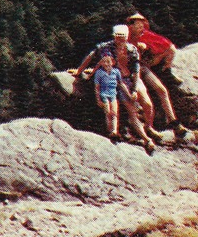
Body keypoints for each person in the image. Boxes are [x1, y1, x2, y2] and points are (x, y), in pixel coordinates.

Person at [69, 25, 161, 148]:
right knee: (131, 110)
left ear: (127, 37)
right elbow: (92, 55)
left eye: (123, 37)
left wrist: (134, 89)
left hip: (132, 79)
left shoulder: (132, 49)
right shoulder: (106, 47)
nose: (121, 40)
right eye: (118, 37)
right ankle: (146, 139)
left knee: (148, 104)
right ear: (114, 37)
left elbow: (136, 69)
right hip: (118, 81)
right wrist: (79, 71)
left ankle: (149, 127)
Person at [127, 12, 186, 141]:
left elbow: (164, 45)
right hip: (131, 70)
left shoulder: (145, 36)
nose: (141, 28)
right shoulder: (126, 37)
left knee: (162, 90)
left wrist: (148, 51)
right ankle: (146, 127)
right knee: (142, 97)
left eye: (142, 25)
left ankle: (173, 122)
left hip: (142, 67)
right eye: (138, 25)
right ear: (131, 26)